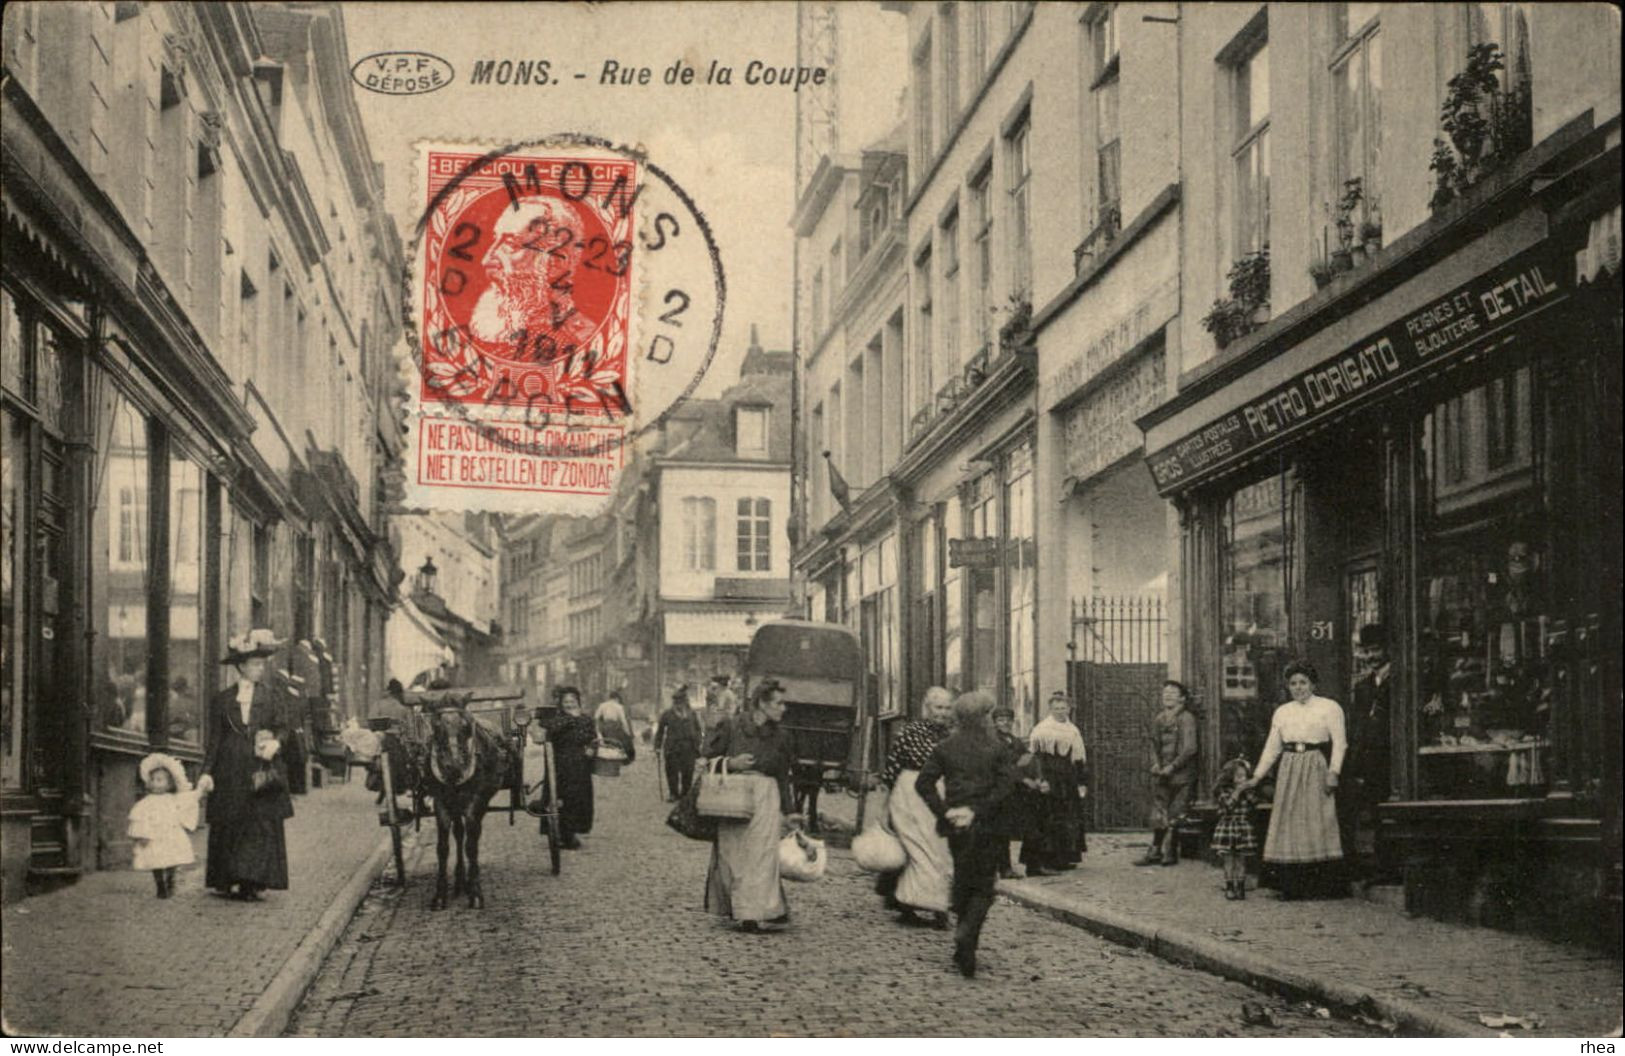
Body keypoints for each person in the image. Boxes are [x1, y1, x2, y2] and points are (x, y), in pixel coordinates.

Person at [915, 691, 1028, 978]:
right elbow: (1005, 787)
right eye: (990, 715)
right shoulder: (997, 748)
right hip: (987, 824)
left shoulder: (945, 747)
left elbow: (923, 783)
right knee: (984, 887)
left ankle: (963, 946)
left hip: (956, 826)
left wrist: (945, 812)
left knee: (965, 879)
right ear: (982, 718)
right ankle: (967, 935)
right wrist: (978, 809)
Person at [197, 630, 293, 901]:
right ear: (241, 666)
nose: (259, 669)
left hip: (260, 768)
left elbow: (283, 728)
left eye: (262, 664)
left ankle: (252, 881)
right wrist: (206, 772)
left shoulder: (272, 697)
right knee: (229, 822)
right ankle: (226, 878)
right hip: (229, 769)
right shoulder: (223, 700)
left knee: (258, 823)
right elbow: (215, 739)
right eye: (254, 664)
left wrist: (276, 743)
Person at [1241, 660, 1347, 900]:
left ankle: (1320, 885)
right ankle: (1291, 885)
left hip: (1315, 764)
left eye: (1303, 683)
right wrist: (1256, 777)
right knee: (1289, 821)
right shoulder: (1282, 711)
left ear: (1313, 684)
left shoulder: (1329, 708)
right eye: (1293, 683)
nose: (1299, 688)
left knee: (1317, 819)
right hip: (1289, 767)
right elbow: (1272, 747)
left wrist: (1334, 772)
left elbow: (1340, 743)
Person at [704, 679, 799, 933]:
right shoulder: (733, 727)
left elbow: (783, 775)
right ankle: (739, 907)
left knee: (761, 855)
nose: (784, 708)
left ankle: (753, 913)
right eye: (778, 703)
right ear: (761, 703)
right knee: (733, 854)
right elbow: (707, 755)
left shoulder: (782, 737)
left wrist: (790, 811)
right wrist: (732, 764)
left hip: (767, 798)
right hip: (733, 797)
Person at [471, 196, 600, 352]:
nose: (486, 260)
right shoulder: (486, 329)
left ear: (555, 262)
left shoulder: (583, 343)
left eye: (511, 244)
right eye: (495, 240)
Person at [877, 687, 954, 929]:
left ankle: (936, 905)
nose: (942, 713)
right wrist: (885, 806)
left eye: (946, 707)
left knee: (940, 848)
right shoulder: (910, 732)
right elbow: (892, 769)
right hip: (910, 792)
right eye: (937, 707)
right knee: (917, 846)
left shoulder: (951, 736)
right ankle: (911, 905)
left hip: (939, 793)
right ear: (927, 708)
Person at [1020, 692, 1089, 876]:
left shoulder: (1073, 730)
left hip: (1067, 779)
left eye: (1063, 708)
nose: (1060, 712)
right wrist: (1039, 779)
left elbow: (1078, 758)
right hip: (1049, 777)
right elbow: (1033, 757)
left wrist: (1082, 781)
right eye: (1056, 708)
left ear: (1069, 709)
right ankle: (1045, 860)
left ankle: (1063, 858)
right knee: (1048, 818)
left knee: (1067, 817)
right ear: (1050, 709)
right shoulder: (1042, 729)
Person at [1342, 625, 1392, 876]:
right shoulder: (1363, 687)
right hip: (1369, 759)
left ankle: (1388, 866)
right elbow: (1358, 726)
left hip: (1392, 757)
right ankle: (1377, 865)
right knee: (1372, 810)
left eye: (1376, 650)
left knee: (1385, 809)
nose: (1372, 656)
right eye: (1368, 651)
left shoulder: (1401, 680)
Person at [1139, 680, 1199, 867]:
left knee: (1175, 814)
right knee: (1159, 812)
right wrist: (1155, 763)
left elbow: (1190, 748)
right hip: (1162, 775)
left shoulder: (1187, 718)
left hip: (1182, 776)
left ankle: (1169, 851)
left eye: (1173, 692)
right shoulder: (1159, 719)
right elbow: (1152, 744)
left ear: (1182, 698)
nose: (1168, 695)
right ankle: (1155, 851)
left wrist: (1172, 766)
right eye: (1165, 692)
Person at [128, 753, 200, 899]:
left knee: (172, 858)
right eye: (153, 780)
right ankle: (160, 884)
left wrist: (200, 791)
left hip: (171, 836)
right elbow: (140, 817)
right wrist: (142, 834)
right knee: (155, 859)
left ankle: (170, 879)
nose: (155, 783)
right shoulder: (146, 802)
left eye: (159, 780)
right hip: (154, 836)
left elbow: (187, 804)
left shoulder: (173, 799)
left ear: (169, 783)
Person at [535, 686, 597, 849]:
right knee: (561, 798)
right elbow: (550, 729)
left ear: (578, 702)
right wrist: (570, 717)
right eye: (566, 702)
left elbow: (592, 738)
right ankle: (560, 833)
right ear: (561, 704)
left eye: (573, 701)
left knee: (578, 799)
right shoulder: (556, 719)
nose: (570, 704)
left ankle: (572, 833)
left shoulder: (587, 719)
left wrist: (592, 748)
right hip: (560, 765)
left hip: (580, 765)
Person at [1210, 756, 1259, 900]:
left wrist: (1248, 792)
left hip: (1243, 826)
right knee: (1229, 859)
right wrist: (1237, 792)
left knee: (1241, 859)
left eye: (1244, 776)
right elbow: (1227, 806)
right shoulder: (1224, 791)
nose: (1242, 780)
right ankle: (1229, 886)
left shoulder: (1247, 792)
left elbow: (1254, 804)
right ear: (1230, 777)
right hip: (1228, 827)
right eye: (1238, 776)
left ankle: (1240, 886)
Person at [990, 707, 1028, 879]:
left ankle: (1003, 867)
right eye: (1000, 720)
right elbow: (999, 765)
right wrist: (1016, 765)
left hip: (1011, 791)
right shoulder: (992, 740)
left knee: (1004, 830)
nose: (1005, 723)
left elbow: (1025, 758)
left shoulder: (1015, 740)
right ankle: (1002, 868)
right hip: (996, 790)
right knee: (997, 830)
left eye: (1008, 720)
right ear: (995, 722)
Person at [654, 685, 704, 802]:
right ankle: (673, 794)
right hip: (673, 747)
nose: (679, 704)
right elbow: (660, 732)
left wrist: (698, 741)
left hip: (689, 747)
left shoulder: (692, 714)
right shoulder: (667, 714)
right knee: (672, 771)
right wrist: (657, 747)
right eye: (677, 702)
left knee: (688, 771)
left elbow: (698, 729)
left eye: (681, 701)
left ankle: (685, 794)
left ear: (685, 701)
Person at [594, 689, 636, 762]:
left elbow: (596, 717)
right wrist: (628, 733)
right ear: (616, 698)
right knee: (627, 740)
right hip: (614, 727)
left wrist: (598, 729)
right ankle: (628, 758)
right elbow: (623, 721)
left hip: (604, 726)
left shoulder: (602, 705)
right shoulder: (619, 706)